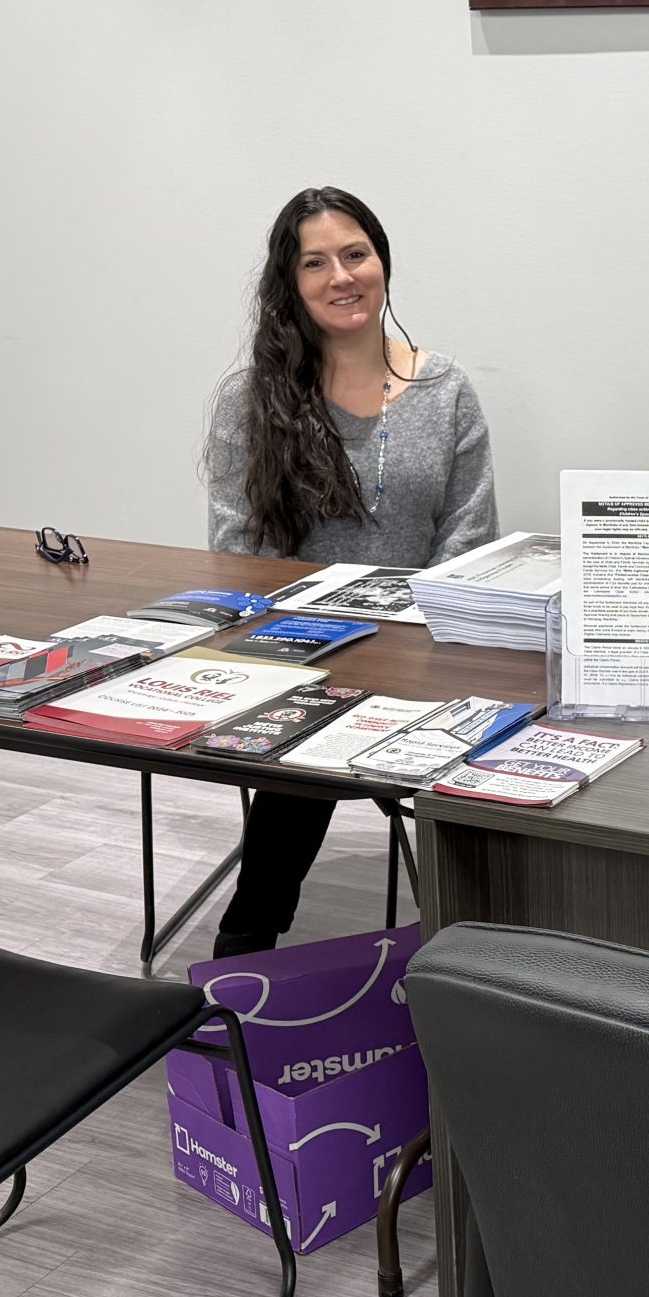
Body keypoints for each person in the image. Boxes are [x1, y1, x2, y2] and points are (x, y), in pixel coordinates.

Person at [203, 187, 496, 952]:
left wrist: (415, 639)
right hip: (302, 652)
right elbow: (239, 554)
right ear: (290, 285)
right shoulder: (251, 401)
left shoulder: (447, 390)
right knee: (310, 738)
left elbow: (470, 542)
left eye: (355, 253)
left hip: (427, 649)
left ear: (383, 263)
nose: (342, 276)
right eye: (315, 262)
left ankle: (483, 963)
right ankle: (245, 955)